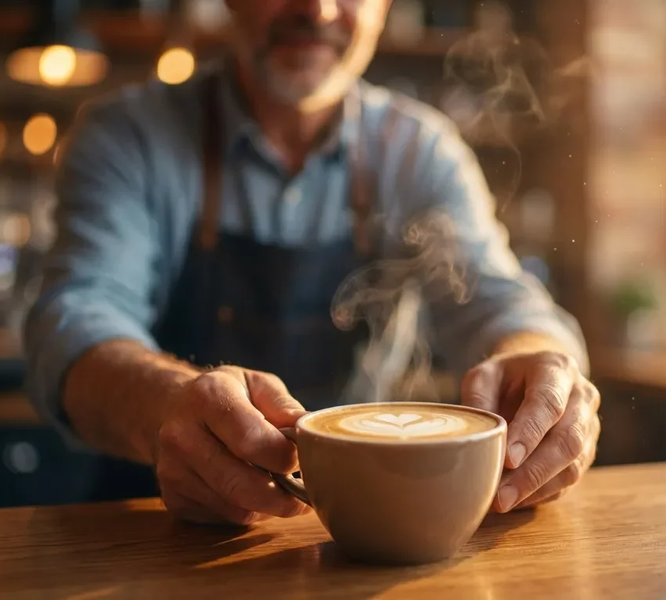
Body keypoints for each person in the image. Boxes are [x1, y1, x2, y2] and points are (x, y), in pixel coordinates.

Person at [24, 0, 600, 524]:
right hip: (151, 532)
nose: (318, 10)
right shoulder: (129, 137)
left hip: (370, 532)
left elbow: (501, 303)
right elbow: (74, 324)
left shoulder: (420, 151)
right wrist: (168, 403)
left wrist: (541, 366)